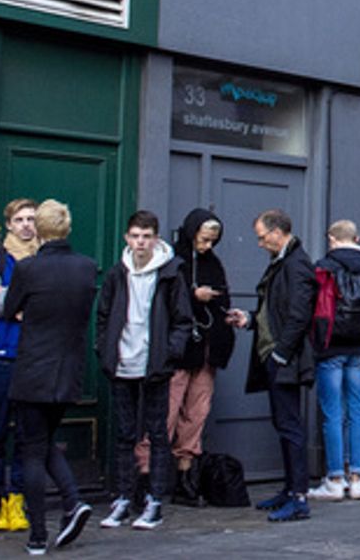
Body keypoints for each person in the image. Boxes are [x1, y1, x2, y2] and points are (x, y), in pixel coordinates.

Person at [5, 199, 97, 555]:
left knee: (30, 449)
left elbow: (11, 308)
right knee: (44, 442)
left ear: (40, 230)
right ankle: (74, 502)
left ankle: (37, 536)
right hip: (68, 370)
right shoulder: (87, 268)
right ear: (67, 228)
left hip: (33, 370)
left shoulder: (29, 269)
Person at [96, 210, 193, 531]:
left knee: (157, 434)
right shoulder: (116, 274)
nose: (140, 243)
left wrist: (169, 354)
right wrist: (105, 350)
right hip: (122, 363)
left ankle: (154, 500)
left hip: (154, 365)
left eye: (146, 237)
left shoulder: (170, 273)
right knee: (124, 434)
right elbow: (104, 315)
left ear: (156, 238)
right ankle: (124, 497)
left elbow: (182, 319)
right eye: (135, 236)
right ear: (127, 238)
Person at [226, 210, 316, 522]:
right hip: (276, 356)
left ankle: (299, 497)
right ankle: (290, 491)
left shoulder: (297, 264)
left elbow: (299, 314)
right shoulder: (282, 262)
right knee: (283, 424)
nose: (261, 243)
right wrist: (249, 319)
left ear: (279, 232)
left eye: (263, 237)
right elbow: (273, 311)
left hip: (283, 360)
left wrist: (280, 354)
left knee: (290, 426)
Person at [137, 208, 230, 509]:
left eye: (212, 241)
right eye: (203, 240)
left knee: (196, 413)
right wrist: (194, 296)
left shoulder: (213, 263)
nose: (207, 247)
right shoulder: (173, 263)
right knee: (166, 412)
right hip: (179, 352)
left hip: (206, 349)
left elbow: (223, 298)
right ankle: (145, 477)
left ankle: (185, 476)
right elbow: (165, 304)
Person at [308, 220, 360, 502]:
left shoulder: (325, 265)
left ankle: (335, 479)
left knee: (332, 414)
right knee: (357, 411)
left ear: (331, 238)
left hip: (331, 345)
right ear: (358, 237)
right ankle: (357, 478)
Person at [0, 198, 38, 533]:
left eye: (31, 219)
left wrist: (8, 297)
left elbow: (46, 306)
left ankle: (17, 498)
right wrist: (18, 302)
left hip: (33, 357)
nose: (27, 224)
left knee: (27, 435)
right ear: (9, 224)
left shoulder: (44, 260)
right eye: (20, 219)